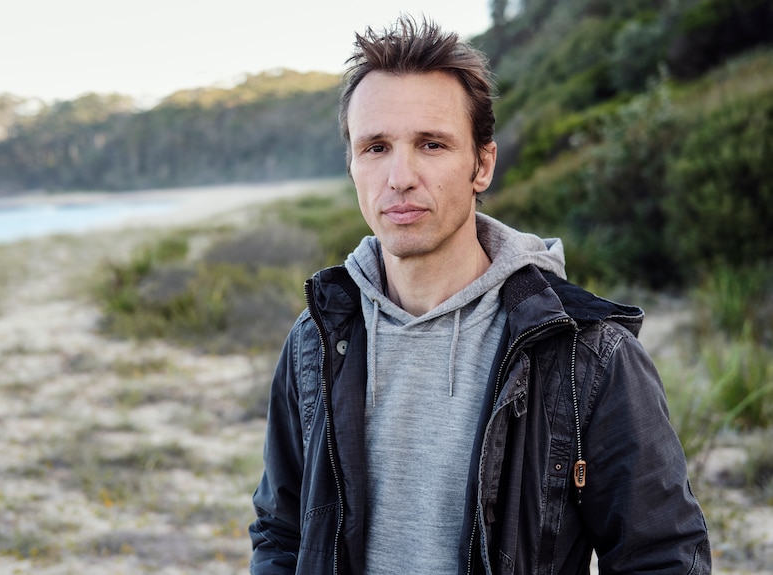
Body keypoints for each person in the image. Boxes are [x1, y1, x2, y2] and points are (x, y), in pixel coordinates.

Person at [249, 14, 711, 575]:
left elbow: (662, 557)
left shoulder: (585, 355)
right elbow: (281, 530)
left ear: (482, 163)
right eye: (375, 147)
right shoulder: (317, 339)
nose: (400, 176)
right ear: (351, 164)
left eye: (432, 144)